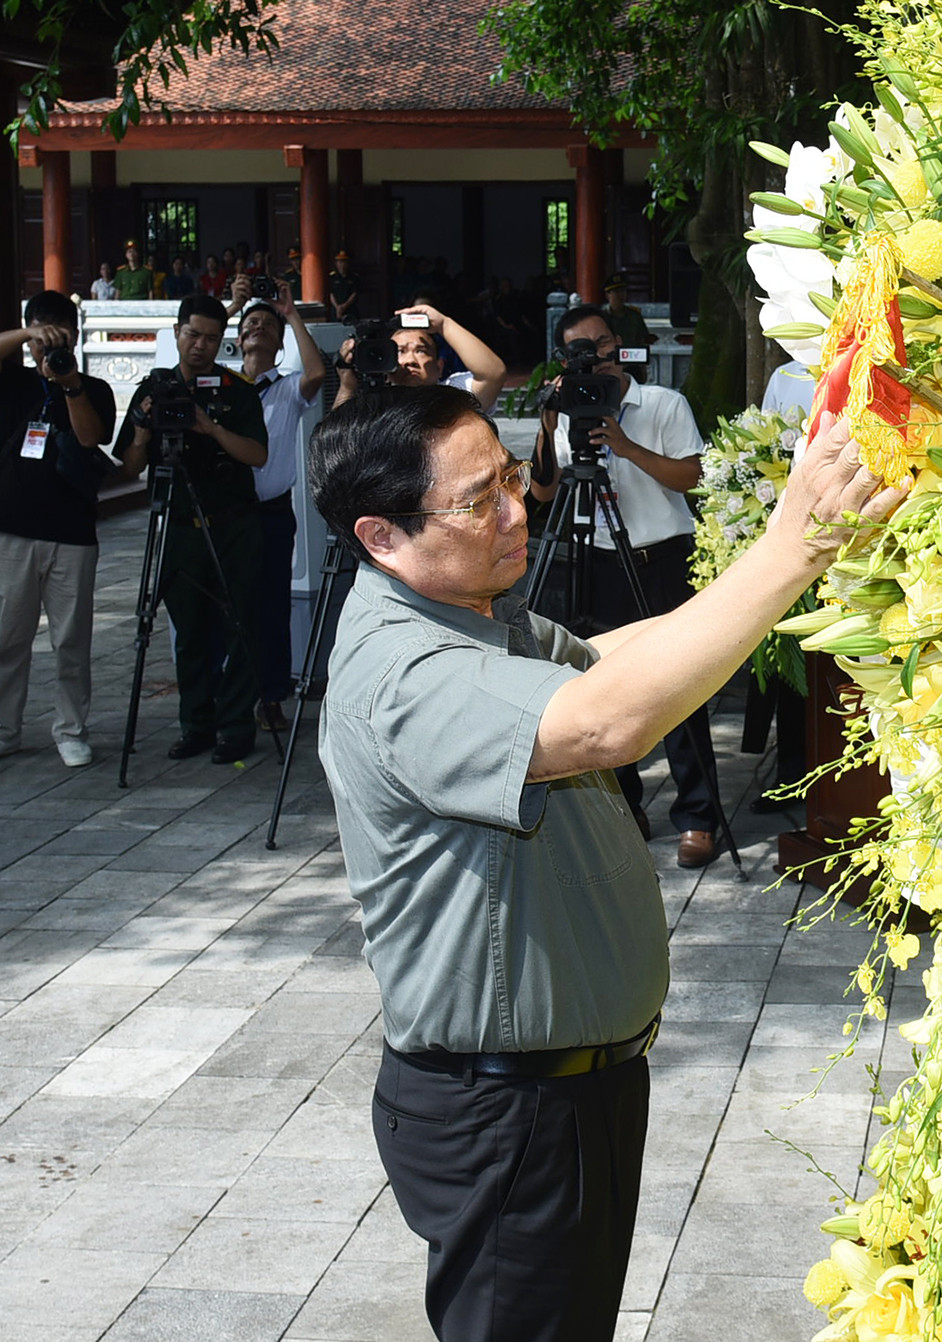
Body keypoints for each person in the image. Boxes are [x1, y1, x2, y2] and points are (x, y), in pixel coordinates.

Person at [307, 384, 901, 1342]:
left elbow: (609, 659)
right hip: (505, 1112)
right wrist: (794, 540)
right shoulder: (403, 673)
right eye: (477, 501)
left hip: (565, 1093)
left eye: (510, 477)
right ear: (380, 535)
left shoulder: (474, 614)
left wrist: (788, 569)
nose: (517, 509)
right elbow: (607, 720)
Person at [528, 305, 720, 867]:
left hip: (660, 558)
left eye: (602, 344)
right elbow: (542, 495)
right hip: (599, 559)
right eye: (579, 350)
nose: (596, 357)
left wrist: (625, 445)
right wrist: (548, 422)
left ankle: (699, 817)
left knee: (680, 686)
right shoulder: (565, 414)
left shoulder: (663, 403)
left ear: (619, 344)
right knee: (604, 685)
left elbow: (694, 476)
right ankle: (626, 808)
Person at [113, 293, 270, 764]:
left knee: (241, 626)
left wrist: (211, 429)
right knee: (190, 631)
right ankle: (196, 724)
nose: (200, 345)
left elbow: (258, 456)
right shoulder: (154, 390)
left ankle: (235, 727)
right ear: (178, 332)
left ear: (221, 341)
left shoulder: (235, 390)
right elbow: (128, 467)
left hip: (233, 525)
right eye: (192, 334)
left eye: (210, 338)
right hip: (179, 525)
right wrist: (143, 431)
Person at [0, 291, 117, 766]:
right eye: (39, 335)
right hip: (11, 528)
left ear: (75, 334)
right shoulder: (12, 383)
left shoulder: (94, 388)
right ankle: (5, 729)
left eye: (58, 335)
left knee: (70, 640)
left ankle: (71, 729)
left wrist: (69, 385)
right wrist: (28, 335)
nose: (47, 347)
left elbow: (90, 436)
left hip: (72, 532)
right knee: (7, 637)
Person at [232, 282, 326, 734]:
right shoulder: (222, 386)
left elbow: (317, 372)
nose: (258, 328)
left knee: (272, 608)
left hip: (269, 515)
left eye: (266, 324)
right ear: (238, 337)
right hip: (226, 514)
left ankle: (271, 696)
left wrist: (290, 314)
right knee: (231, 604)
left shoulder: (287, 389)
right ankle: (229, 695)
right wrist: (233, 304)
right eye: (250, 323)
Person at [334, 302, 505, 412]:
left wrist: (444, 325)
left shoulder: (454, 397)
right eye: (400, 351)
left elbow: (493, 373)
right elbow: (336, 444)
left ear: (439, 367)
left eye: (421, 351)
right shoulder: (375, 405)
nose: (410, 361)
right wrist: (347, 386)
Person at [602, 272, 654, 350]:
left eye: (623, 291)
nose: (621, 295)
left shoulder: (634, 316)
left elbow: (643, 339)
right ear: (608, 295)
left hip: (630, 357)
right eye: (616, 292)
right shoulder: (601, 316)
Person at [327, 250, 360, 322]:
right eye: (339, 262)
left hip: (350, 309)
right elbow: (331, 293)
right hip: (336, 310)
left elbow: (354, 293)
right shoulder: (332, 277)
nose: (342, 265)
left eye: (344, 262)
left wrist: (344, 306)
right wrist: (337, 308)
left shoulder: (354, 277)